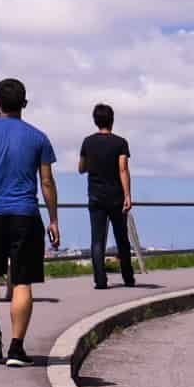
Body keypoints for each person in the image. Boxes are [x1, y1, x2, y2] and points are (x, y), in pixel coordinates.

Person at [0, 78, 60, 366]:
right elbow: (47, 182)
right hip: (26, 215)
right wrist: (53, 220)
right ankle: (16, 348)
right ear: (24, 104)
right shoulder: (39, 138)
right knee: (22, 281)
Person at [79, 103, 135, 289]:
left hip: (95, 197)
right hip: (116, 197)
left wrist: (91, 164)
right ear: (112, 120)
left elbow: (81, 168)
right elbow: (123, 169)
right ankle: (128, 278)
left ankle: (100, 281)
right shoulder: (120, 143)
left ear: (95, 121)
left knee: (97, 240)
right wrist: (127, 195)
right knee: (122, 239)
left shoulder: (87, 142)